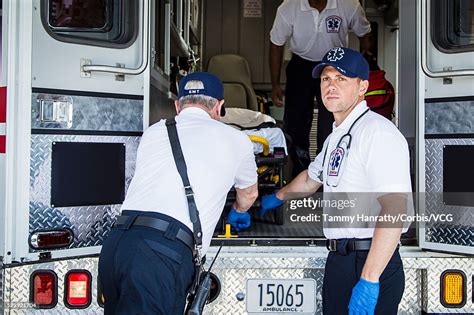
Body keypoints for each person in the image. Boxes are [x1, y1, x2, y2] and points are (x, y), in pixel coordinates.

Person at [261, 47, 412, 314]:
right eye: (326, 79)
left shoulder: (377, 134)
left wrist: (368, 279)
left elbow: (395, 209)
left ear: (362, 86)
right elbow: (311, 179)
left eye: (341, 79)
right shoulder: (337, 137)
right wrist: (275, 197)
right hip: (340, 261)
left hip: (369, 261)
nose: (331, 86)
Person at [98, 72, 258, 314]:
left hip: (117, 244)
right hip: (160, 253)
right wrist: (237, 211)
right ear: (219, 106)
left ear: (177, 105)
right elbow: (248, 194)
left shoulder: (154, 132)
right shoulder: (237, 139)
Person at [269, 0, 373, 177]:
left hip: (335, 66)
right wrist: (275, 84)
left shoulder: (348, 5)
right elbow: (276, 44)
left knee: (331, 122)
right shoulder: (289, 7)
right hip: (300, 66)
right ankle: (300, 173)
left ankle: (327, 171)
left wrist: (360, 69)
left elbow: (366, 34)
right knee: (296, 123)